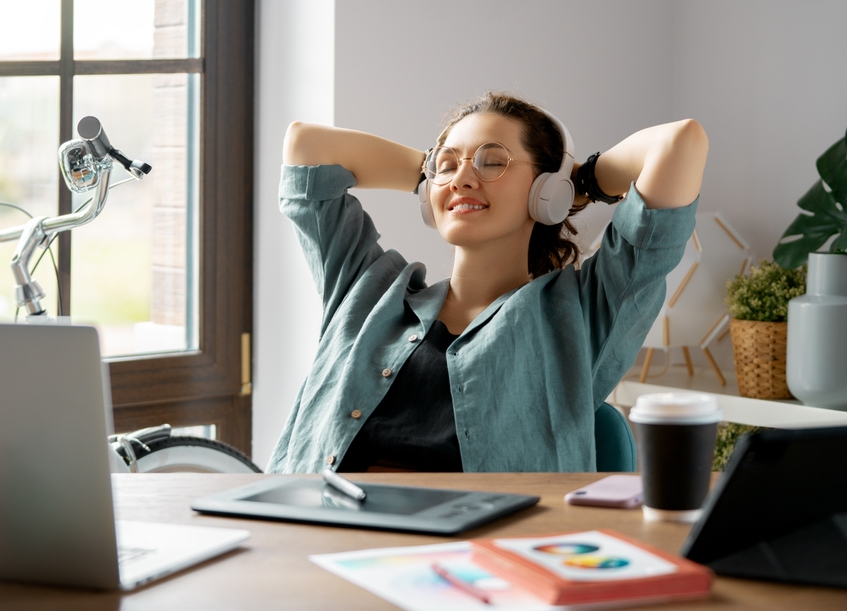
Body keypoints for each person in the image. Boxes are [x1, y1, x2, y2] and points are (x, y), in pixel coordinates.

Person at [267, 92, 707, 474]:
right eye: (447, 164)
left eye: (492, 161)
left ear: (545, 189)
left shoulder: (584, 313)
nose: (462, 176)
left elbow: (679, 143)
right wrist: (433, 177)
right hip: (313, 533)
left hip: (477, 558)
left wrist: (577, 184)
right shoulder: (367, 290)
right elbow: (306, 146)